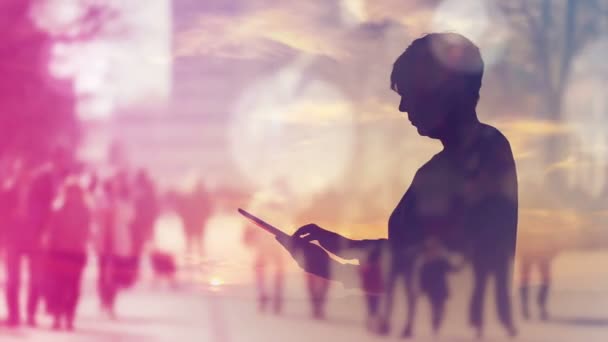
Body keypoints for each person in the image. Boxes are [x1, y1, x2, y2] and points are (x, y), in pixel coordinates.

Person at [275, 33, 518, 338]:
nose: (403, 107)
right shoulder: (451, 164)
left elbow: (444, 274)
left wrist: (343, 256)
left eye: (409, 93)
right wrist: (334, 259)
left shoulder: (483, 153)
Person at [43, 182, 91, 330]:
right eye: (70, 192)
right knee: (58, 286)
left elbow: (87, 231)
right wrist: (49, 249)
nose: (73, 196)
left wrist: (82, 243)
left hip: (76, 253)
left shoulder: (85, 211)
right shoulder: (57, 209)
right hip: (59, 252)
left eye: (76, 192)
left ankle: (70, 317)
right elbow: (51, 230)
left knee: (74, 287)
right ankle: (57, 316)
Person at [416, 237, 464, 335]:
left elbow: (453, 269)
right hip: (434, 288)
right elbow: (422, 277)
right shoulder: (427, 263)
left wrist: (460, 266)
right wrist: (421, 288)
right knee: (435, 306)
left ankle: (437, 321)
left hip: (440, 287)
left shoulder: (439, 262)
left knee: (439, 307)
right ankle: (435, 322)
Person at [243, 224, 285, 314]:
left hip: (266, 244)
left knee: (261, 268)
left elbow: (249, 226)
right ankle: (274, 295)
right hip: (273, 244)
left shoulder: (258, 210)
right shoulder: (282, 211)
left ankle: (265, 293)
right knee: (276, 269)